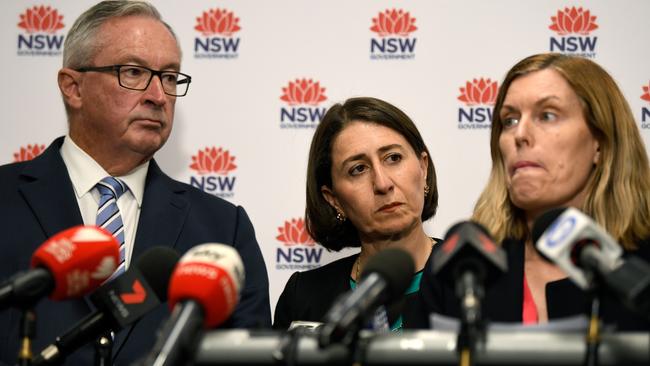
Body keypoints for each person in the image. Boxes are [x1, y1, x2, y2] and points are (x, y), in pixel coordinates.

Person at [0, 1, 270, 364]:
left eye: (170, 77)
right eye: (133, 72)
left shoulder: (223, 230)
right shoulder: (5, 198)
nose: (158, 96)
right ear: (73, 87)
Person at [424, 53, 650, 330]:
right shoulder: (459, 267)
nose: (520, 134)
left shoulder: (641, 266)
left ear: (600, 143)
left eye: (547, 115)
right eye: (509, 120)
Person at [273, 97, 440, 331]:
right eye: (358, 169)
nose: (382, 183)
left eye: (393, 158)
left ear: (423, 168)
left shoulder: (473, 279)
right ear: (334, 200)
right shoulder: (304, 296)